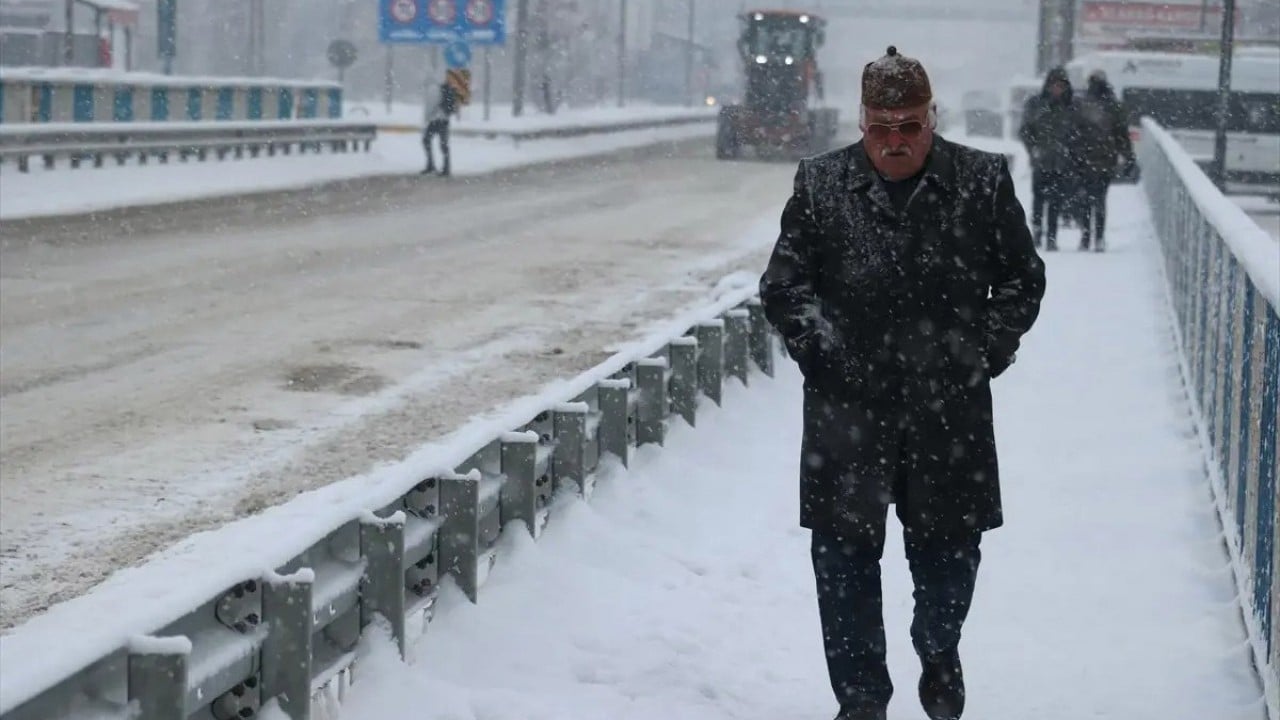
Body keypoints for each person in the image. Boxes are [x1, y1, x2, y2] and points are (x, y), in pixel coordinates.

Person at [759, 46, 1046, 720]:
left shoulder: (980, 182)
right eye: (880, 127)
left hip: (949, 411)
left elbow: (1022, 278)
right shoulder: (821, 185)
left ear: (931, 119)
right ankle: (861, 699)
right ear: (862, 122)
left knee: (951, 561)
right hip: (847, 414)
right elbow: (783, 285)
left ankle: (937, 647)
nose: (894, 142)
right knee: (842, 565)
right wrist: (820, 351)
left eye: (908, 127)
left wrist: (983, 351)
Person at [1019, 66, 1084, 251]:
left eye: (1061, 86)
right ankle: (1038, 232)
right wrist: (1034, 148)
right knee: (1039, 199)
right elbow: (1025, 130)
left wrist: (1071, 150)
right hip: (1041, 161)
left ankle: (1052, 236)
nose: (1057, 89)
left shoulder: (1071, 107)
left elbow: (1079, 132)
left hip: (1063, 163)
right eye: (1054, 85)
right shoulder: (1036, 105)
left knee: (1056, 200)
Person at [1074, 70, 1135, 252]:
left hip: (1087, 159)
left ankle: (1087, 236)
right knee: (1099, 200)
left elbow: (1073, 132)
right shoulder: (1113, 106)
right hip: (1104, 159)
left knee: (1087, 199)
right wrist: (1129, 157)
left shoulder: (1081, 105)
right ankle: (1097, 237)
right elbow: (1122, 135)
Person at [422, 81, 459, 177]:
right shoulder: (440, 90)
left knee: (427, 140)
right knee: (443, 144)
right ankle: (446, 168)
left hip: (435, 120)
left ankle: (431, 165)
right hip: (443, 120)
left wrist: (426, 118)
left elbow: (429, 106)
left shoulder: (432, 90)